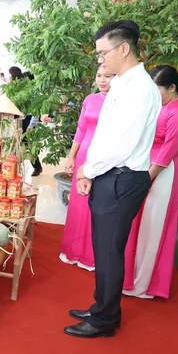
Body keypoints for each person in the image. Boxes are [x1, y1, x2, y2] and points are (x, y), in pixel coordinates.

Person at [67, 20, 161, 339]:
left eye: (103, 53)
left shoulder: (140, 88)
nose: (100, 61)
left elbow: (121, 144)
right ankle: (104, 308)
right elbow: (105, 135)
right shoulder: (122, 83)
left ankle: (104, 320)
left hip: (122, 177)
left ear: (124, 48)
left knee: (109, 251)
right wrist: (91, 170)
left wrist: (87, 170)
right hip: (110, 174)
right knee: (105, 248)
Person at [123, 66, 178, 299]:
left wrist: (146, 179)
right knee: (136, 226)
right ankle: (128, 278)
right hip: (143, 169)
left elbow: (168, 151)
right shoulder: (158, 105)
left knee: (151, 229)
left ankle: (143, 285)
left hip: (161, 175)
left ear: (172, 88)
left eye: (157, 89)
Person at [60, 65, 114, 271]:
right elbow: (81, 129)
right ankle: (74, 250)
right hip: (84, 155)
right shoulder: (90, 100)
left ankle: (93, 256)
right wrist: (72, 156)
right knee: (79, 205)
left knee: (98, 205)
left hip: (105, 158)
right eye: (99, 75)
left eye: (108, 76)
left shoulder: (120, 102)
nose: (102, 80)